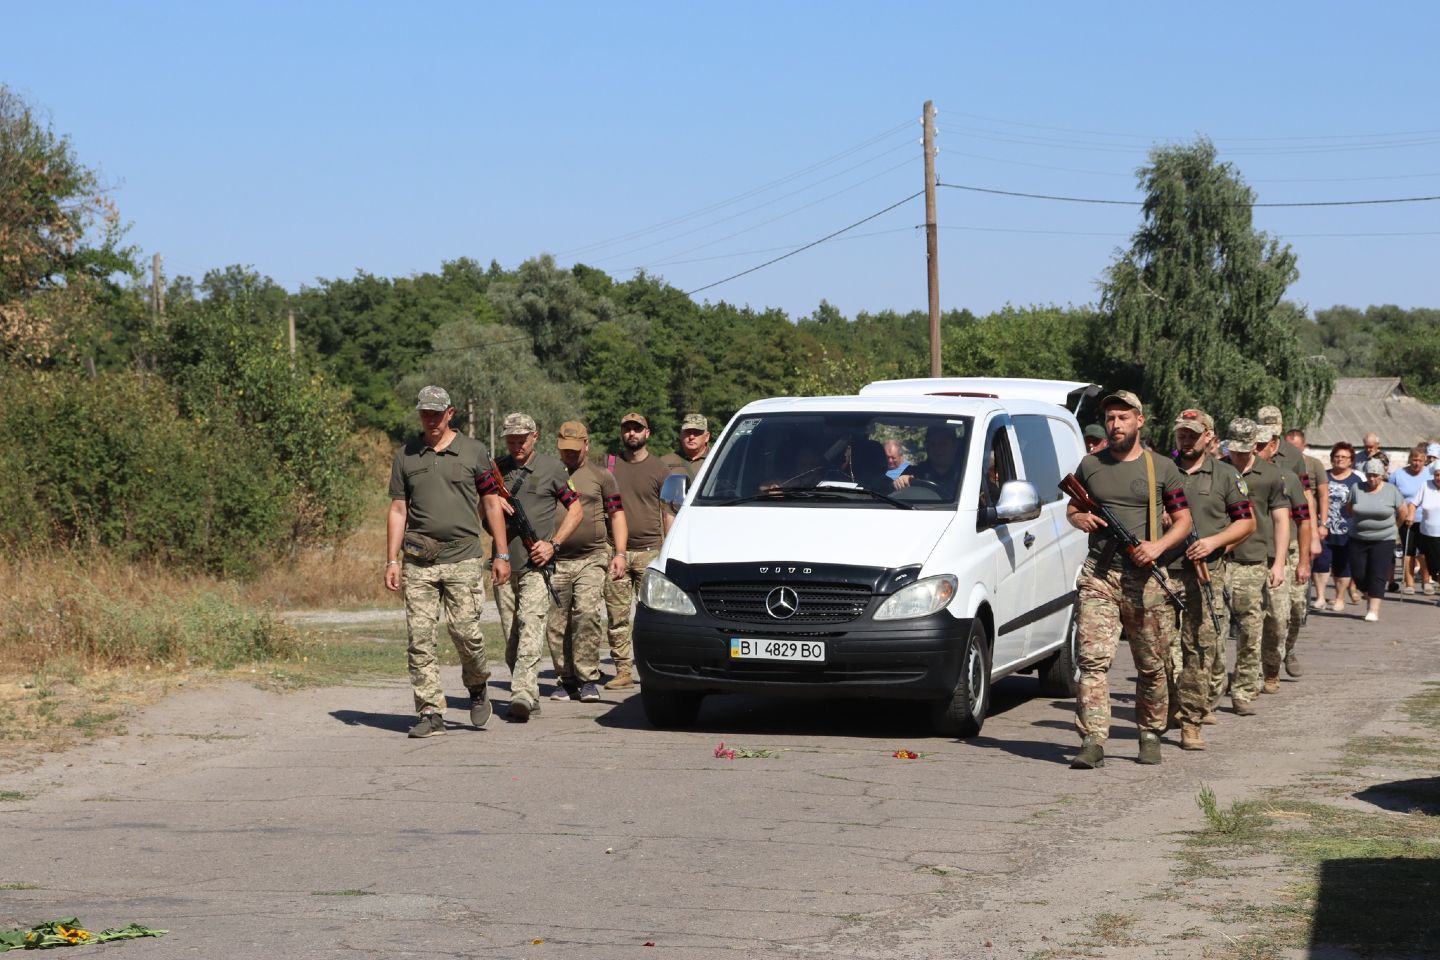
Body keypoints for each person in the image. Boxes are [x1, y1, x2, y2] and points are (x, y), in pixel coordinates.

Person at [1065, 390, 1192, 769]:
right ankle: (1092, 739)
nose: (1115, 424)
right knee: (1091, 661)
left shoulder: (1162, 468)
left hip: (1145, 578)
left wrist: (1157, 547)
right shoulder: (1090, 465)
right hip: (1099, 574)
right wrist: (1079, 519)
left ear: (1140, 421)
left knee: (1151, 662)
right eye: (1110, 418)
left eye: (1123, 418)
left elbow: (1184, 521)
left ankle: (1150, 733)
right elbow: (1073, 505)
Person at [385, 385, 510, 739]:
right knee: (420, 638)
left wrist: (500, 553)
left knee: (465, 633)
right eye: (425, 413)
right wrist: (391, 560)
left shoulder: (473, 452)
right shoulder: (406, 455)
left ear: (450, 413)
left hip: (464, 558)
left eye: (437, 414)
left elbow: (490, 503)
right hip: (419, 560)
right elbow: (398, 509)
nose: (431, 420)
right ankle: (430, 711)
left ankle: (477, 685)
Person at [1168, 409, 1255, 750]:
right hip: (1161, 571)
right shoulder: (1161, 469)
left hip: (1205, 573)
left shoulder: (1225, 474)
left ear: (1208, 437)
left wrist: (1214, 542)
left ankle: (1191, 720)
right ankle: (1167, 706)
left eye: (1193, 433)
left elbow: (1245, 523)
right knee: (1158, 648)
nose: (1186, 439)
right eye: (1181, 434)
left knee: (1199, 648)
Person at [492, 413, 583, 721]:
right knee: (511, 639)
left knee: (531, 626)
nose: (516, 445)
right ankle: (529, 691)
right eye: (511, 440)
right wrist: (491, 505)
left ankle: (520, 693)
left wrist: (553, 544)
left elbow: (576, 510)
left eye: (521, 439)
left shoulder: (552, 469)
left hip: (536, 565)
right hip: (504, 565)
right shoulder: (497, 469)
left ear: (535, 436)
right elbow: (482, 517)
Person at [546, 421, 628, 704]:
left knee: (587, 614)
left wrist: (619, 553)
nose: (569, 454)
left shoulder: (602, 476)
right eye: (564, 449)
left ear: (586, 445)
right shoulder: (548, 474)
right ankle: (565, 678)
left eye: (575, 449)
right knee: (557, 623)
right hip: (555, 560)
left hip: (591, 557)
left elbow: (617, 515)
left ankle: (587, 678)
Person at [1218, 418, 1290, 717]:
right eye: (1232, 450)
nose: (1237, 456)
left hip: (1253, 561)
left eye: (1242, 450)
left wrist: (1279, 562)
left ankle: (1244, 690)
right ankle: (1211, 691)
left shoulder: (1270, 474)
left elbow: (1281, 519)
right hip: (1218, 560)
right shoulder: (1218, 469)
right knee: (1215, 630)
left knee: (1250, 629)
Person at [603, 412, 674, 690]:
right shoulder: (611, 467)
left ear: (648, 433)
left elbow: (667, 512)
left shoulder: (660, 469)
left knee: (653, 614)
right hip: (617, 553)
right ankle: (622, 671)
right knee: (617, 616)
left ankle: (656, 669)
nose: (631, 433)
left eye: (637, 429)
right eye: (627, 429)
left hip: (650, 552)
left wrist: (667, 551)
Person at [1257, 425, 1313, 692]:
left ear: (1273, 446)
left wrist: (1304, 560)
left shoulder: (1287, 477)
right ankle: (1260, 669)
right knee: (1256, 616)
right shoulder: (1233, 474)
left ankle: (1284, 652)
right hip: (1251, 555)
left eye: (1261, 445)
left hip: (1286, 550)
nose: (1255, 451)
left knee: (1291, 612)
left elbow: (1303, 521)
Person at [1343, 459, 1408, 623]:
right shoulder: (1357, 488)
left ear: (1382, 475)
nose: (1372, 479)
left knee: (1378, 573)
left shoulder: (1391, 491)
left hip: (1384, 538)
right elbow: (1349, 509)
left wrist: (1394, 527)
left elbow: (1402, 513)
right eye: (1369, 475)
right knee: (1358, 573)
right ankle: (1367, 591)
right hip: (1358, 537)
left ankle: (1373, 609)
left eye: (1376, 476)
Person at [1313, 442, 1362, 612]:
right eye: (1337, 456)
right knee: (1321, 562)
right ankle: (1320, 596)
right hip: (1323, 527)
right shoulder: (1323, 476)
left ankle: (1340, 597)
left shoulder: (1357, 480)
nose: (1340, 460)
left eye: (1344, 457)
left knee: (1343, 565)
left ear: (1351, 461)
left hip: (1346, 529)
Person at [1389, 443, 1432, 595]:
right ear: (1409, 460)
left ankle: (1426, 582)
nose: (1416, 463)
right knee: (1409, 551)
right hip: (1405, 519)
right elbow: (1390, 494)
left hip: (1427, 519)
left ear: (1425, 460)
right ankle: (1409, 584)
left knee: (1425, 552)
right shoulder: (1398, 475)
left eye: (1420, 460)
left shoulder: (1431, 474)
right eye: (1414, 460)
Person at [892, 424, 964, 499]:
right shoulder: (913, 473)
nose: (937, 449)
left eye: (943, 444)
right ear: (926, 446)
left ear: (955, 445)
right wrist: (901, 481)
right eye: (932, 444)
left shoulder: (966, 474)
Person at [1406, 462, 1440, 608]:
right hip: (1428, 534)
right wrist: (1411, 515)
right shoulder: (1426, 485)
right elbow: (1413, 504)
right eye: (1437, 474)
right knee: (1434, 568)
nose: (1439, 477)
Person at [662, 413, 711, 481]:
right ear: (681, 435)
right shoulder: (665, 462)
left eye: (697, 432)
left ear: (707, 437)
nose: (691, 437)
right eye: (687, 432)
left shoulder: (717, 460)